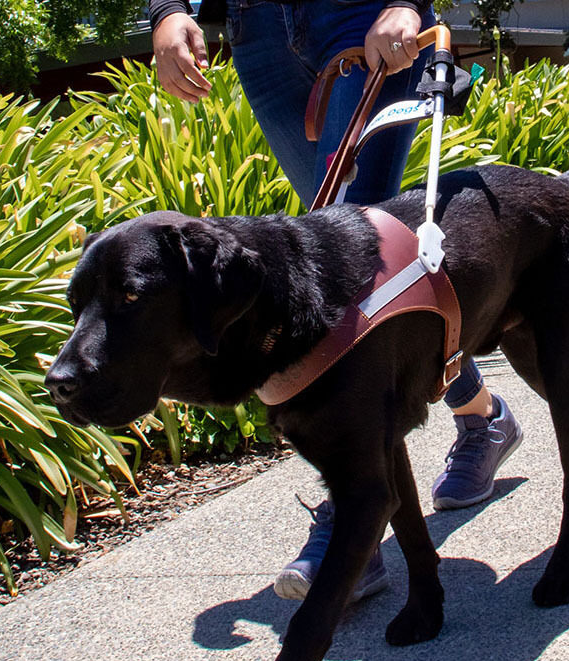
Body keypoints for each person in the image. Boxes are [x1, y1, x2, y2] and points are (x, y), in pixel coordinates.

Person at [147, 0, 522, 601]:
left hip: (359, 17)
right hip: (260, 36)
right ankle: (482, 416)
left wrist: (405, 3)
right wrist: (167, 11)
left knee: (355, 259)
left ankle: (355, 523)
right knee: (343, 246)